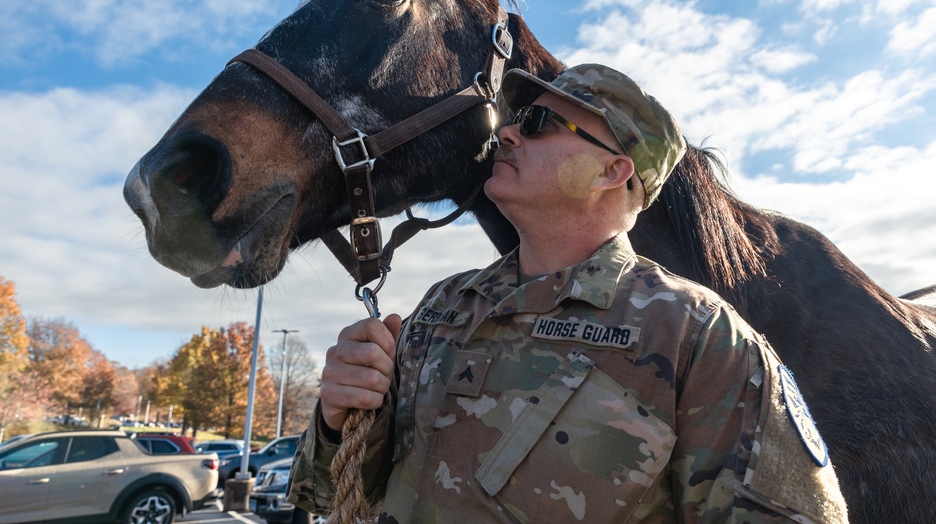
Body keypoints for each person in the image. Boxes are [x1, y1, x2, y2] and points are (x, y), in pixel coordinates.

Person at [288, 64, 849, 523]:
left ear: (612, 171)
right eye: (514, 120)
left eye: (537, 122)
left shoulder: (699, 338)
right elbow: (335, 495)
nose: (506, 132)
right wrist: (337, 420)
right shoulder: (443, 307)